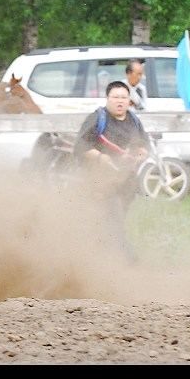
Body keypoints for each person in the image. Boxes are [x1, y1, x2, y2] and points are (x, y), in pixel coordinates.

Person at [73, 81, 150, 258]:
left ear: (129, 100)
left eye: (123, 97)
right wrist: (101, 157)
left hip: (127, 182)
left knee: (114, 220)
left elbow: (143, 145)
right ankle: (127, 259)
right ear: (107, 98)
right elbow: (80, 146)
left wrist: (141, 154)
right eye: (115, 97)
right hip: (100, 182)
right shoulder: (97, 119)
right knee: (113, 218)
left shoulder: (134, 121)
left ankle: (100, 255)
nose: (119, 101)